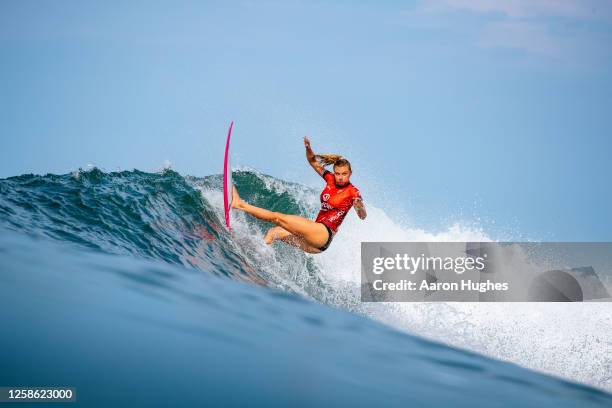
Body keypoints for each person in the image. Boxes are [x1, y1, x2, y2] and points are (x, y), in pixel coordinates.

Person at [231, 136, 367, 254]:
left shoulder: (353, 192)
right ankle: (258, 254)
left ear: (350, 173)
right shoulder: (330, 179)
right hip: (315, 244)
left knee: (278, 217)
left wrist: (359, 207)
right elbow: (313, 162)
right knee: (274, 232)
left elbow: (362, 216)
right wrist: (308, 148)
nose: (341, 177)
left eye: (344, 174)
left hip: (323, 234)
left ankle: (239, 204)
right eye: (338, 173)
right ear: (334, 172)